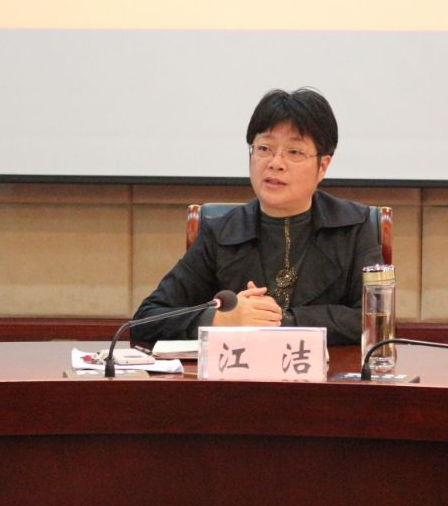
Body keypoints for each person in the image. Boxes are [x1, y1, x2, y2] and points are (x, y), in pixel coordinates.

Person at [132, 88, 383, 345]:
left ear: (323, 166)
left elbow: (373, 318)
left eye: (294, 152)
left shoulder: (354, 227)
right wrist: (219, 319)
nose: (275, 163)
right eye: (264, 148)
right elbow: (146, 320)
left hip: (325, 370)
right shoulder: (221, 232)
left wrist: (283, 320)